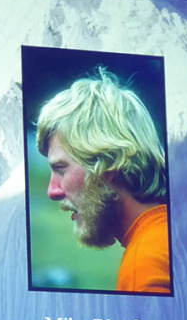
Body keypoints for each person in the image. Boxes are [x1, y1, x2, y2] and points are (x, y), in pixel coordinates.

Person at [36, 68, 169, 294]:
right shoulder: (176, 235)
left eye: (60, 169)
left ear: (108, 164)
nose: (52, 191)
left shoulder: (147, 267)